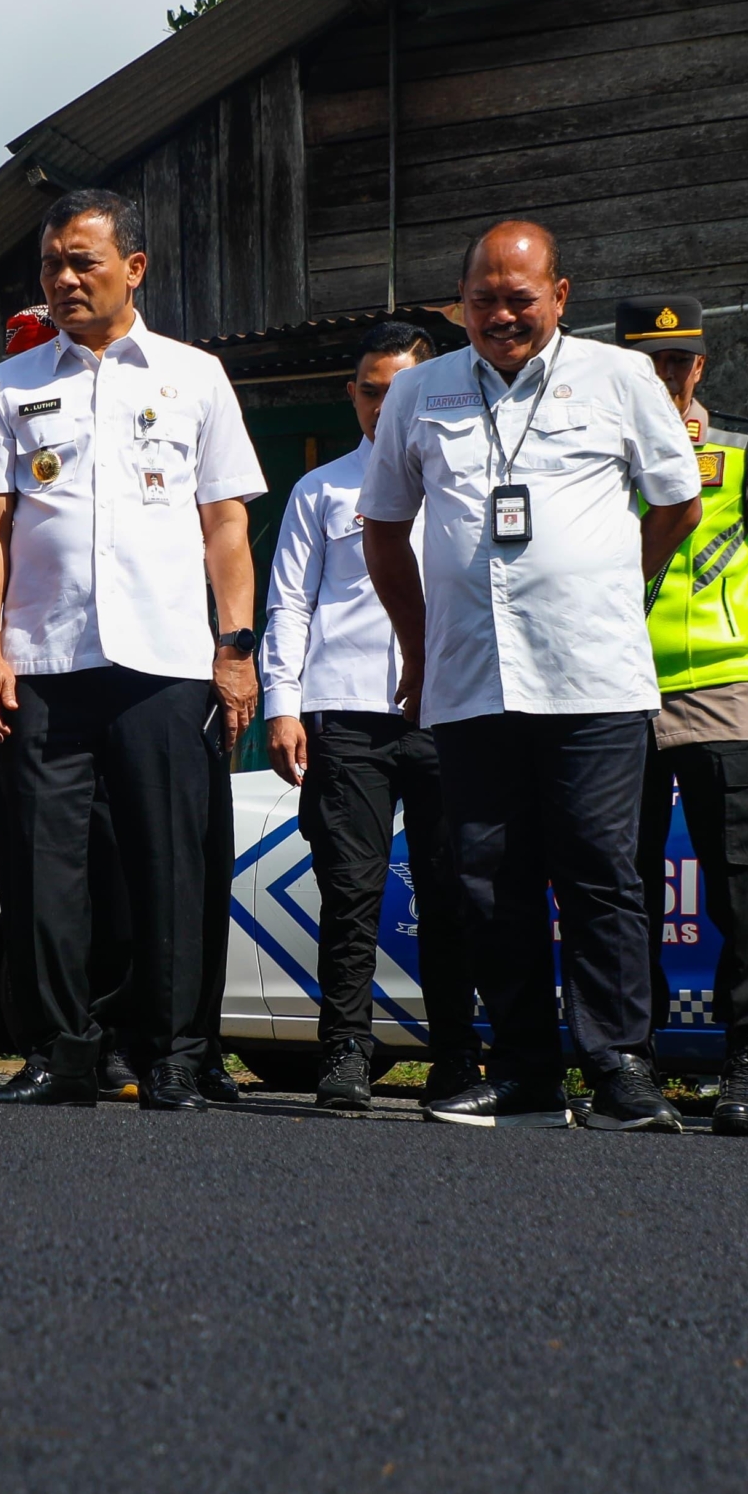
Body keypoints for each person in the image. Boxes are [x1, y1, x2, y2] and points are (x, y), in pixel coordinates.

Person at [358, 221, 703, 1131]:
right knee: (487, 879)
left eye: (520, 299)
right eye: (483, 301)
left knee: (601, 875)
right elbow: (384, 526)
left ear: (560, 294)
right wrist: (419, 645)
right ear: (460, 304)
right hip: (471, 679)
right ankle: (523, 1072)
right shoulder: (421, 391)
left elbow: (678, 501)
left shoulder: (620, 377)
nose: (501, 316)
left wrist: (615, 583)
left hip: (593, 676)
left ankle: (621, 1071)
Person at [0, 190, 267, 1113]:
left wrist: (235, 647)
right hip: (42, 662)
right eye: (51, 264)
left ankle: (173, 1054)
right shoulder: (7, 387)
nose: (63, 279)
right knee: (43, 869)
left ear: (134, 268)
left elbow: (226, 525)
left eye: (82, 261)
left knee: (172, 864)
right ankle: (58, 1052)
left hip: (165, 663)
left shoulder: (195, 376)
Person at [262, 322, 480, 1109]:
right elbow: (289, 603)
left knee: (450, 892)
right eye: (371, 391)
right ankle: (345, 1053)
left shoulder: (460, 484)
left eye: (400, 391)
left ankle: (457, 1059)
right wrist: (283, 704)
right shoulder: (321, 490)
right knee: (350, 893)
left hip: (448, 710)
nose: (384, 406)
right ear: (351, 396)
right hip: (347, 710)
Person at [618, 295, 748, 1138]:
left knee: (737, 890)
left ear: (700, 365)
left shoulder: (743, 446)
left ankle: (745, 1068)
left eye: (678, 362)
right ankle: (632, 1065)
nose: (666, 376)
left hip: (719, 698)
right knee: (623, 893)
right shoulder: (595, 445)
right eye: (650, 361)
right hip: (616, 695)